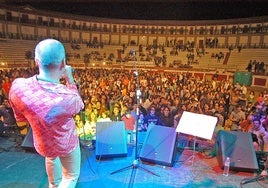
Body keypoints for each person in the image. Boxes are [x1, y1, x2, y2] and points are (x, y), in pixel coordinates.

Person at [9, 39, 84, 188]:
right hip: (65, 144)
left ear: (36, 61)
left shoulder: (18, 87)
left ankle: (53, 185)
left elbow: (21, 119)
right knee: (70, 177)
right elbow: (79, 104)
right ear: (63, 63)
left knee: (51, 158)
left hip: (43, 142)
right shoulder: (68, 97)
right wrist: (69, 80)